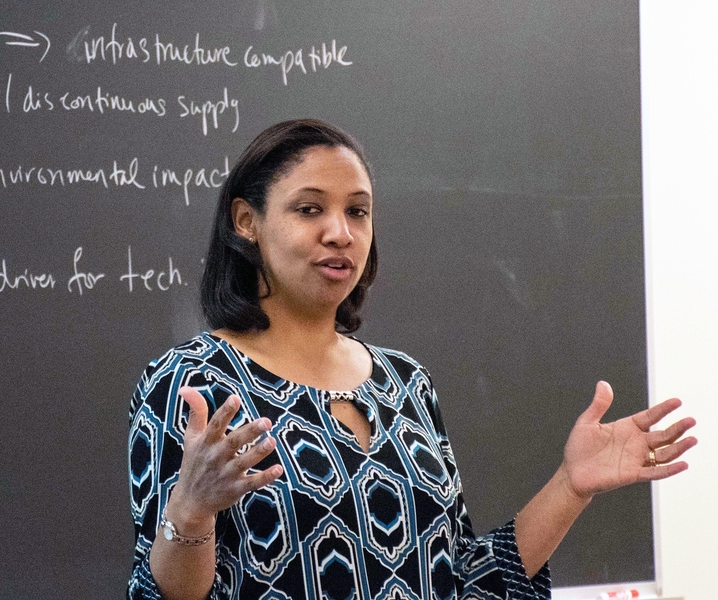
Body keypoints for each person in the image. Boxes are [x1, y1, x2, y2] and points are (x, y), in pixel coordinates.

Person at [126, 119, 697, 600]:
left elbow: (462, 580)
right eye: (309, 209)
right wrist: (191, 512)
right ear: (246, 221)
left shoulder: (405, 382)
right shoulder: (191, 383)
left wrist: (571, 486)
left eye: (358, 212)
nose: (340, 233)